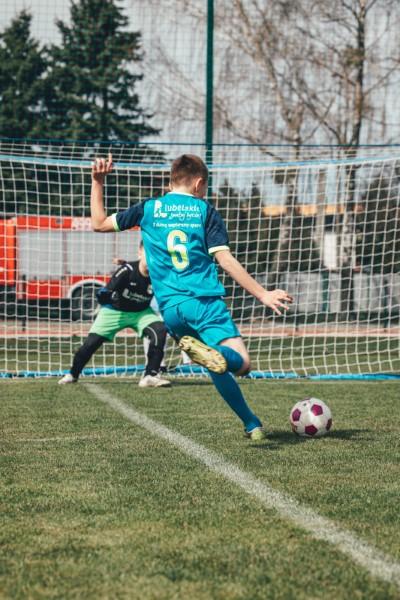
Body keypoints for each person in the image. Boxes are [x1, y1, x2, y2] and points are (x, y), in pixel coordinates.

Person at [90, 153, 292, 440]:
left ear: (171, 181)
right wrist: (263, 293)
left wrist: (98, 181)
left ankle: (252, 424)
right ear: (199, 184)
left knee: (215, 365)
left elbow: (98, 223)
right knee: (241, 363)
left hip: (171, 311)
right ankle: (219, 359)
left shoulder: (149, 208)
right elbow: (225, 259)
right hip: (203, 303)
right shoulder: (204, 210)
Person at [59, 242, 171, 388]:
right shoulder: (126, 271)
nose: (152, 258)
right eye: (148, 253)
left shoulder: (161, 275)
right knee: (91, 344)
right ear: (139, 253)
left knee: (160, 330)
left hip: (141, 313)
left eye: (156, 254)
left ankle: (150, 375)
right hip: (115, 312)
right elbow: (104, 293)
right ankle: (73, 374)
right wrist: (107, 297)